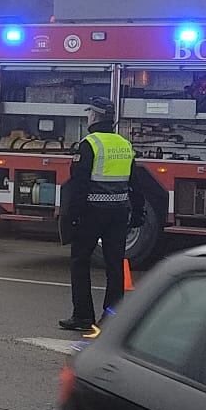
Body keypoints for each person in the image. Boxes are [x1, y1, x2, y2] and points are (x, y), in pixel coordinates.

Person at [59, 98, 138, 333]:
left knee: (80, 261)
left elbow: (79, 186)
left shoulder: (89, 144)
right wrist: (137, 214)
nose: (88, 116)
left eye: (90, 113)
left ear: (95, 117)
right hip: (119, 213)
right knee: (114, 265)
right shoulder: (125, 144)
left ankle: (83, 316)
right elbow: (136, 183)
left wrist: (72, 217)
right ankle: (112, 316)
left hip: (92, 213)